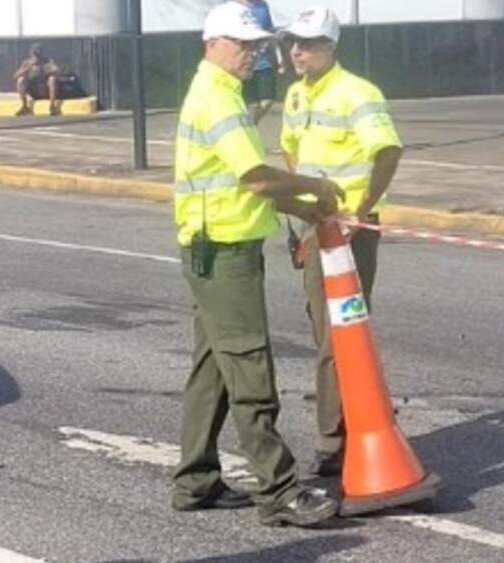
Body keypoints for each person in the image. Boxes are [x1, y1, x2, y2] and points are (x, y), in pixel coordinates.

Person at [171, 1, 343, 528]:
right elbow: (256, 177)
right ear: (212, 43)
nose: (253, 55)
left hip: (214, 245)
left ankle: (195, 479)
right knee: (249, 367)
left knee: (215, 369)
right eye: (243, 45)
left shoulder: (219, 92)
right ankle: (280, 490)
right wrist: (316, 187)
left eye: (256, 46)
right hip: (223, 252)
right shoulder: (218, 99)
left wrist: (305, 211)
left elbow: (251, 185)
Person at [278, 7, 403, 477]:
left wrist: (361, 209)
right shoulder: (295, 94)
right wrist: (307, 205)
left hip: (347, 233)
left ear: (332, 46)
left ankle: (334, 440)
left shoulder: (357, 93)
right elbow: (291, 147)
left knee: (338, 332)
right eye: (293, 41)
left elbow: (388, 150)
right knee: (325, 328)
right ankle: (356, 418)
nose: (297, 50)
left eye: (307, 43)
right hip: (318, 227)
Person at [234, 0, 285, 124]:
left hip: (262, 61)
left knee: (268, 100)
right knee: (242, 103)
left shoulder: (262, 6)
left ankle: (252, 123)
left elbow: (270, 34)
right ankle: (242, 128)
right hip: (241, 62)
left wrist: (280, 58)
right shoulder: (231, 6)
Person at [13, 43, 62, 117]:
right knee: (20, 80)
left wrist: (46, 70)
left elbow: (57, 71)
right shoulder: (27, 63)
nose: (36, 57)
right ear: (30, 53)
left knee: (52, 79)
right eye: (34, 54)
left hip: (44, 89)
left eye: (38, 54)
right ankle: (25, 106)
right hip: (32, 89)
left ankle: (52, 106)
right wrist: (28, 68)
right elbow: (15, 76)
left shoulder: (47, 62)